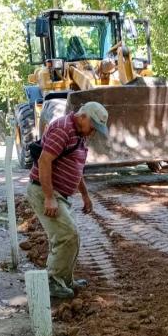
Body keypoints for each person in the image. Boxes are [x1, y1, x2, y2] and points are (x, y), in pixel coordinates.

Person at [26, 102, 109, 299]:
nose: (93, 132)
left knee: (71, 236)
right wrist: (49, 197)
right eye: (93, 127)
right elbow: (44, 160)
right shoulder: (63, 129)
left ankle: (64, 280)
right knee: (67, 235)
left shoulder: (79, 135)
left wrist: (85, 195)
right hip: (44, 191)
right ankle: (52, 282)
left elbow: (75, 168)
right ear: (83, 117)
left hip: (59, 195)